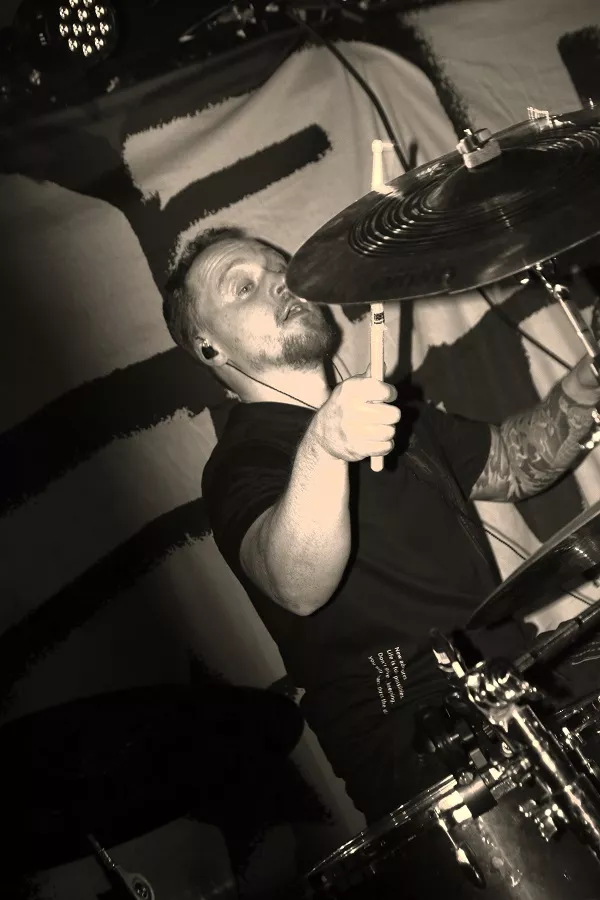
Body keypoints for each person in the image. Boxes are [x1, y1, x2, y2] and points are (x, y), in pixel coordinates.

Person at [163, 225, 600, 824]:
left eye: (280, 268)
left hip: (511, 677)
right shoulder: (241, 463)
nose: (280, 284)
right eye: (243, 287)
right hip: (422, 744)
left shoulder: (386, 408)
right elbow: (295, 583)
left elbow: (514, 463)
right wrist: (325, 446)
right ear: (209, 347)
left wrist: (586, 382)